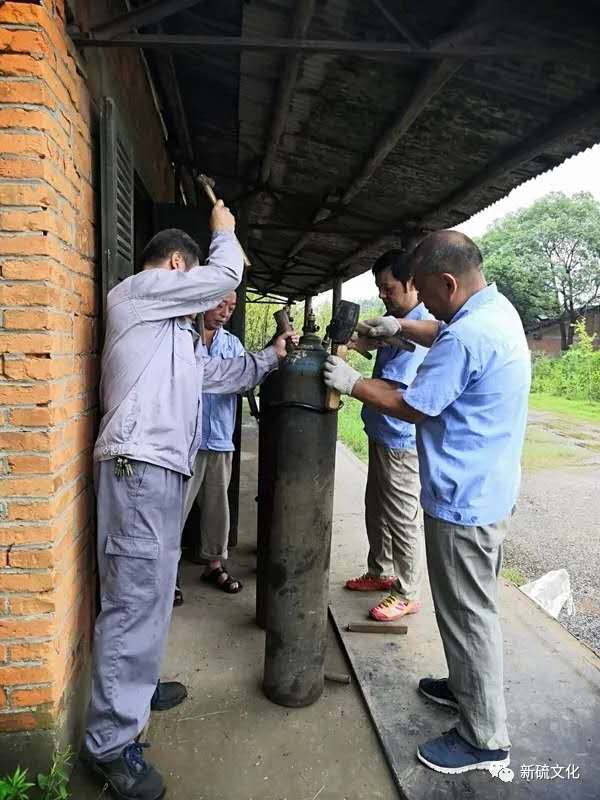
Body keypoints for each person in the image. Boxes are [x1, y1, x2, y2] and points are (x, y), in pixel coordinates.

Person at [82, 207, 296, 800]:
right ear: (178, 265)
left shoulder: (168, 331)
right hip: (139, 468)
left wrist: (273, 356)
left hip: (157, 471)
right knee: (132, 601)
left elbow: (217, 375)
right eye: (194, 272)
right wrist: (224, 226)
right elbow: (226, 275)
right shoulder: (140, 292)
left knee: (150, 592)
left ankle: (136, 684)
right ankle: (109, 745)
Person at [323, 230, 531, 775]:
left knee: (467, 614)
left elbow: (414, 405)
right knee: (467, 609)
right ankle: (465, 688)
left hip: (466, 498)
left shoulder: (468, 338)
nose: (424, 304)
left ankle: (485, 737)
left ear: (448, 281)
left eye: (427, 294)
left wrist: (350, 382)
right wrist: (398, 328)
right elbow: (440, 327)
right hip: (489, 486)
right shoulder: (493, 309)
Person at [344, 250, 433, 622]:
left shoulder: (420, 324)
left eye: (388, 287)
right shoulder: (399, 322)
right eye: (379, 287)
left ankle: (407, 591)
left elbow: (395, 387)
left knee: (401, 516)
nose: (383, 294)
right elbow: (378, 354)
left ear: (411, 283)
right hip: (381, 433)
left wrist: (351, 382)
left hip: (399, 439)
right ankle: (381, 572)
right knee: (377, 509)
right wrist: (359, 341)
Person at [181, 291, 246, 598]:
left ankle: (214, 565)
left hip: (219, 438)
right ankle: (167, 574)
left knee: (217, 509)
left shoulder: (232, 345)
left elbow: (245, 378)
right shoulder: (182, 336)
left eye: (231, 308)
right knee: (174, 509)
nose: (225, 312)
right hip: (183, 441)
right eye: (220, 304)